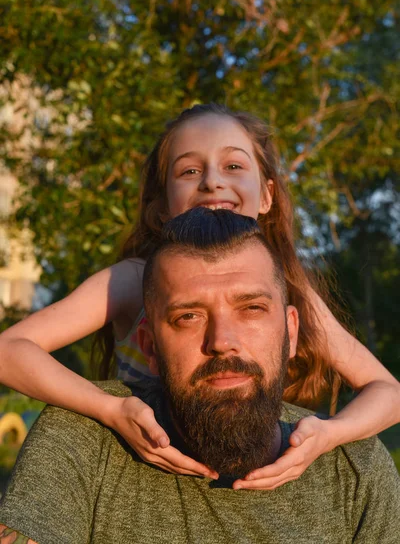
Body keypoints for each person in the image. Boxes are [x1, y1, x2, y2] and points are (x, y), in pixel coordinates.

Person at [0, 103, 399, 488]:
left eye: (233, 166)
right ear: (161, 210)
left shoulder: (290, 287)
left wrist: (330, 434)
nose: (211, 180)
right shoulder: (130, 281)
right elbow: (9, 350)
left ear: (266, 196)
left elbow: (389, 392)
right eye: (189, 170)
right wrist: (110, 408)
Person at [0, 208, 399, 544]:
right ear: (150, 346)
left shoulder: (355, 467)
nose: (222, 342)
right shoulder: (82, 436)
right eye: (188, 317)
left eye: (252, 309)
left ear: (291, 332)